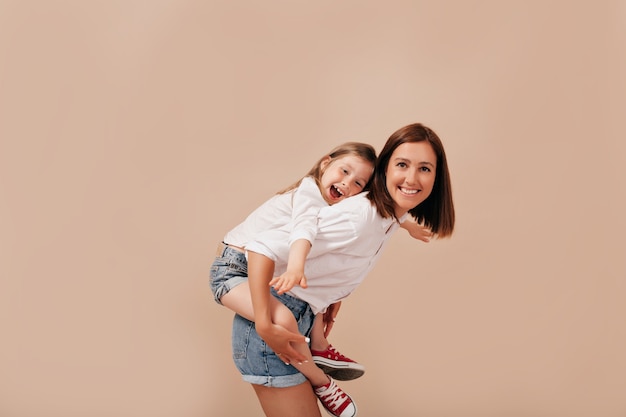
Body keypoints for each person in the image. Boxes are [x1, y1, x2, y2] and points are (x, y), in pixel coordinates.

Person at [237, 122, 455, 417]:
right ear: (384, 170)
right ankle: (323, 380)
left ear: (437, 177)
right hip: (275, 330)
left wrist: (330, 295)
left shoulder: (388, 216)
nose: (412, 178)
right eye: (402, 164)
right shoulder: (360, 216)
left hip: (299, 317)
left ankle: (321, 356)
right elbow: (262, 246)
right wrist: (264, 323)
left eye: (425, 169)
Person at [210, 142, 379, 415]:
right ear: (326, 163)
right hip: (231, 271)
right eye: (344, 171)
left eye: (358, 183)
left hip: (258, 268)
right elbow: (300, 231)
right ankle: (322, 382)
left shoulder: (328, 205)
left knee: (312, 298)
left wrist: (405, 221)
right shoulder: (309, 195)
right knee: (285, 317)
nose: (347, 183)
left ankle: (320, 348)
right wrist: (296, 267)